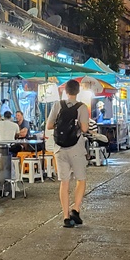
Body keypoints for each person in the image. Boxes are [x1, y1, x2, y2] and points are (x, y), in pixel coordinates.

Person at [47, 79, 89, 228]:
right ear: (78, 92)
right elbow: (84, 129)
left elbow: (49, 125)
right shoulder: (82, 107)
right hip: (76, 148)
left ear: (66, 91)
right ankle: (75, 209)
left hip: (59, 148)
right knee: (81, 179)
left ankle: (65, 217)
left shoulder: (57, 105)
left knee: (64, 182)